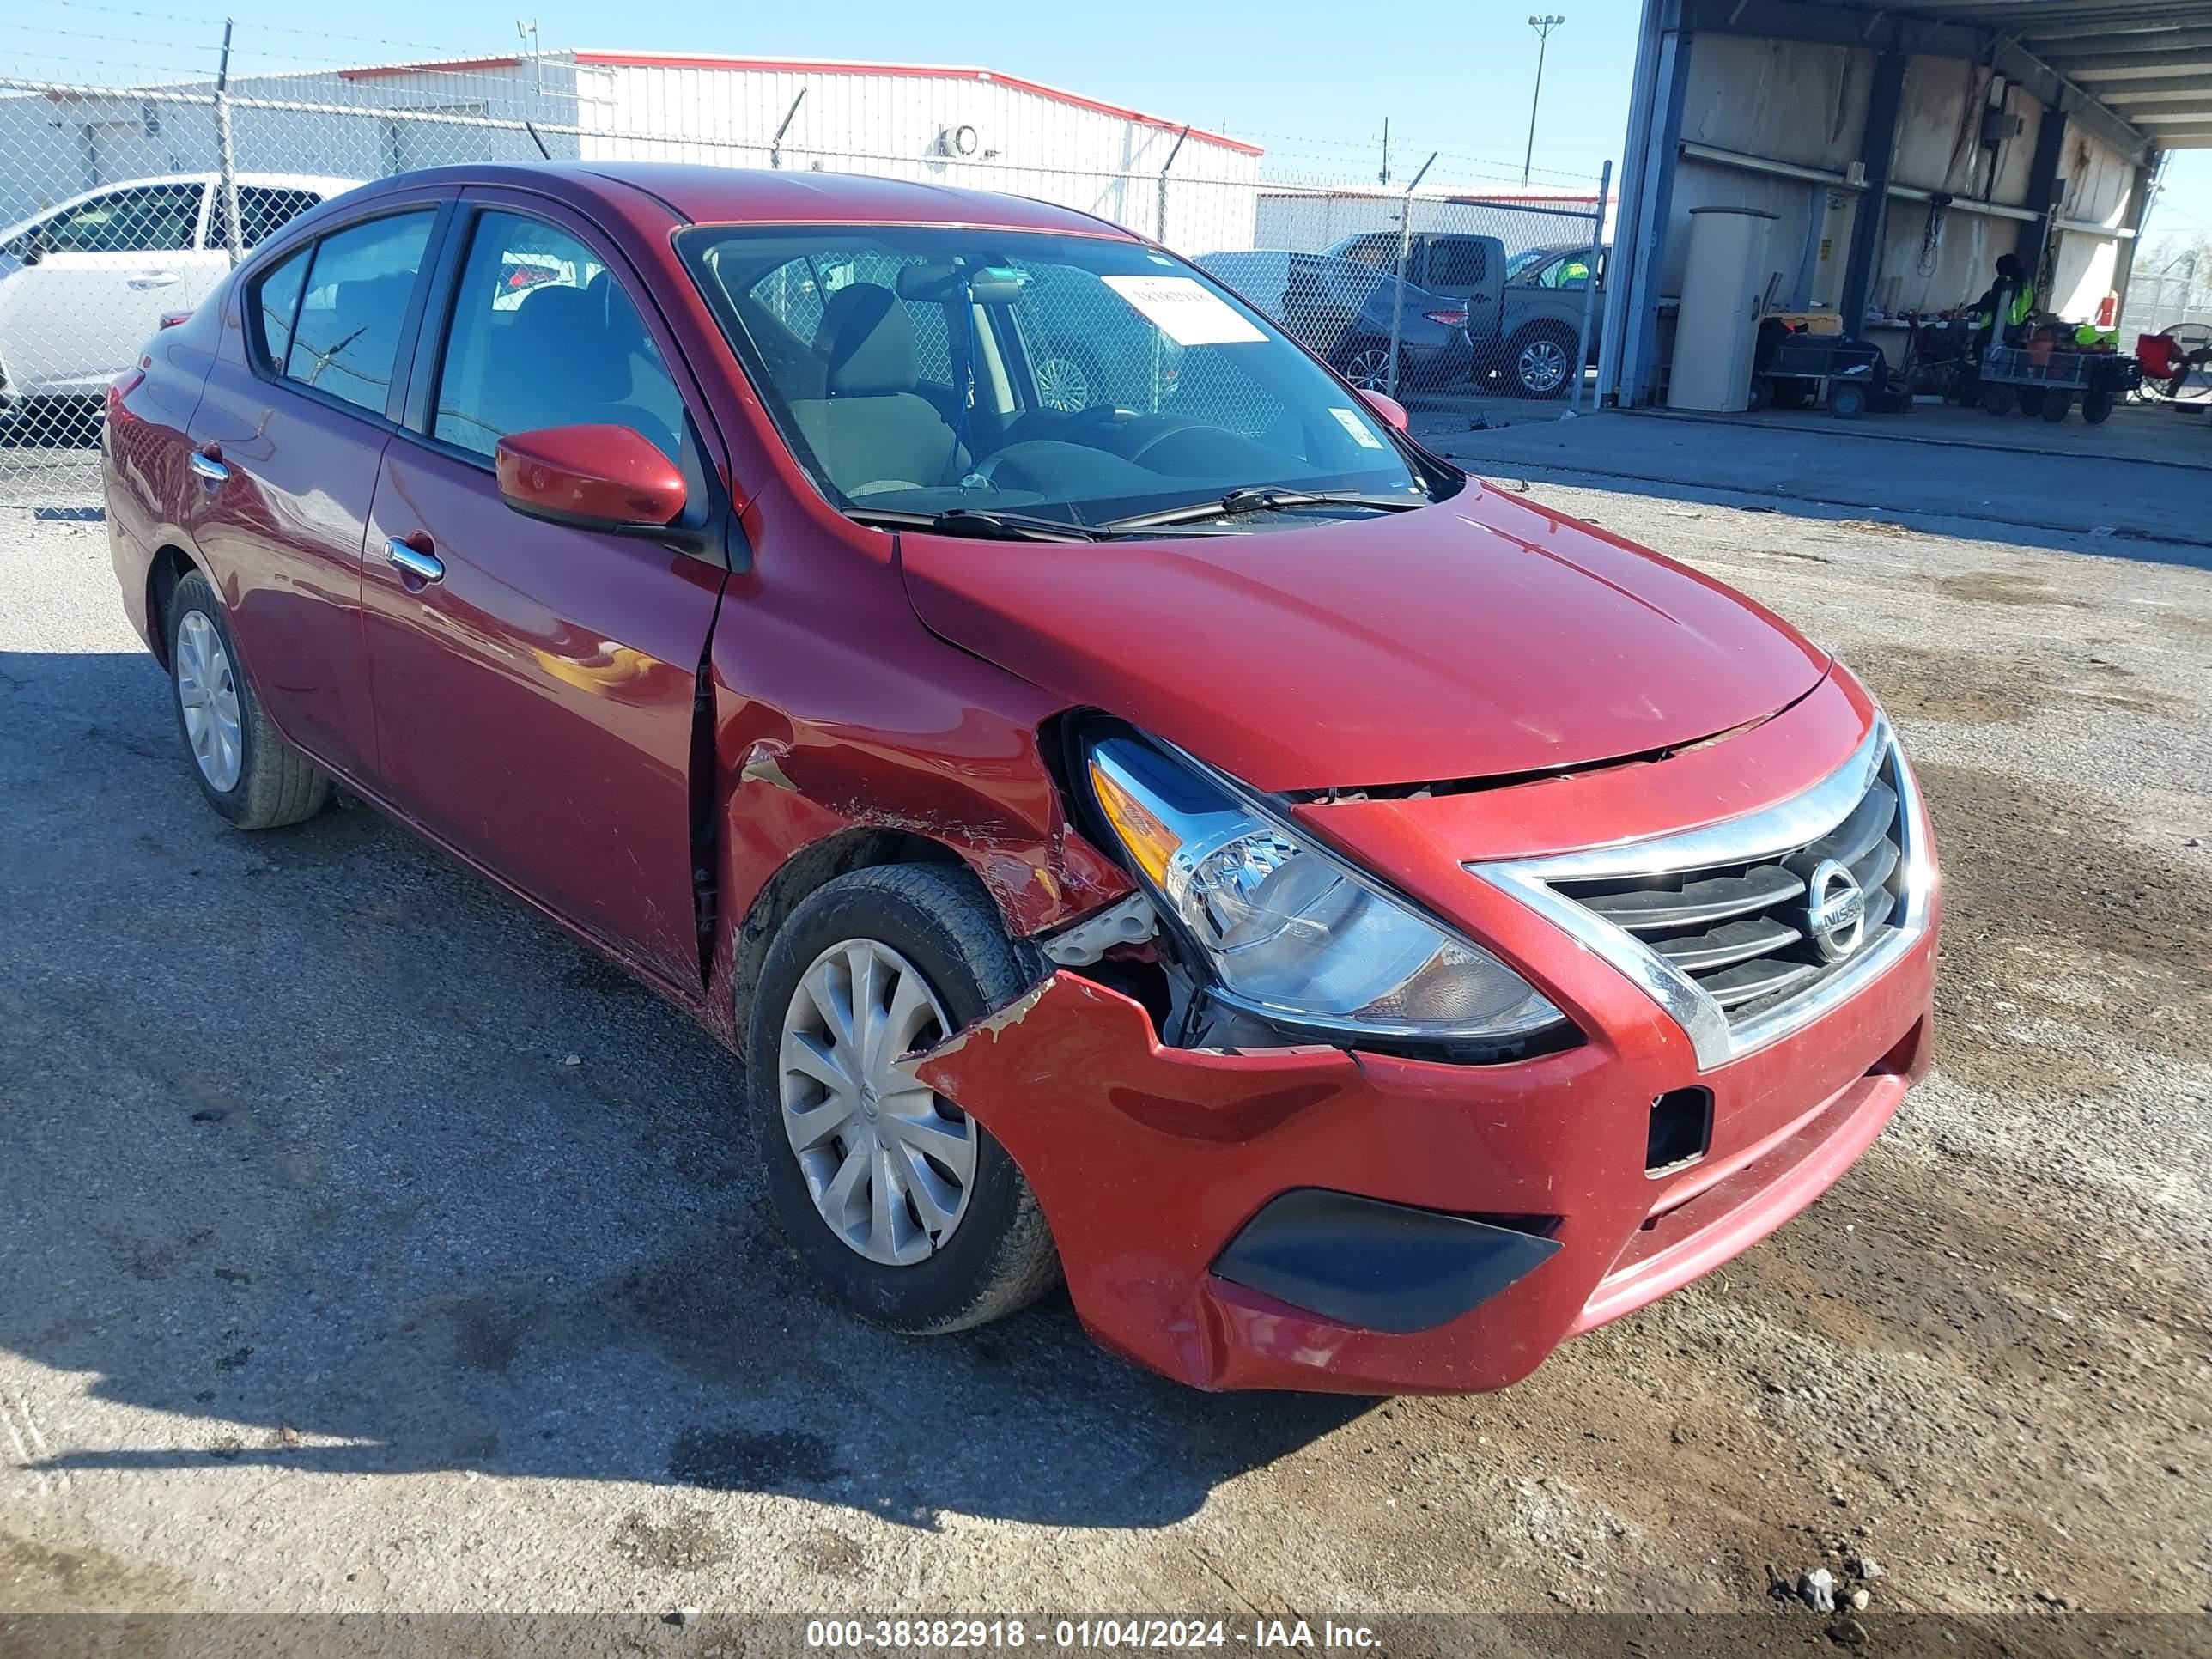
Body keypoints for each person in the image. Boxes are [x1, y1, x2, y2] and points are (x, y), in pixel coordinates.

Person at [1969, 253, 2035, 349]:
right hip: (2017, 329)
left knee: (1980, 347)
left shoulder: (2005, 282)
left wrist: (1971, 308)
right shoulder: (2027, 284)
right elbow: (2031, 304)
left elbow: (1994, 303)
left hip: (1999, 328)